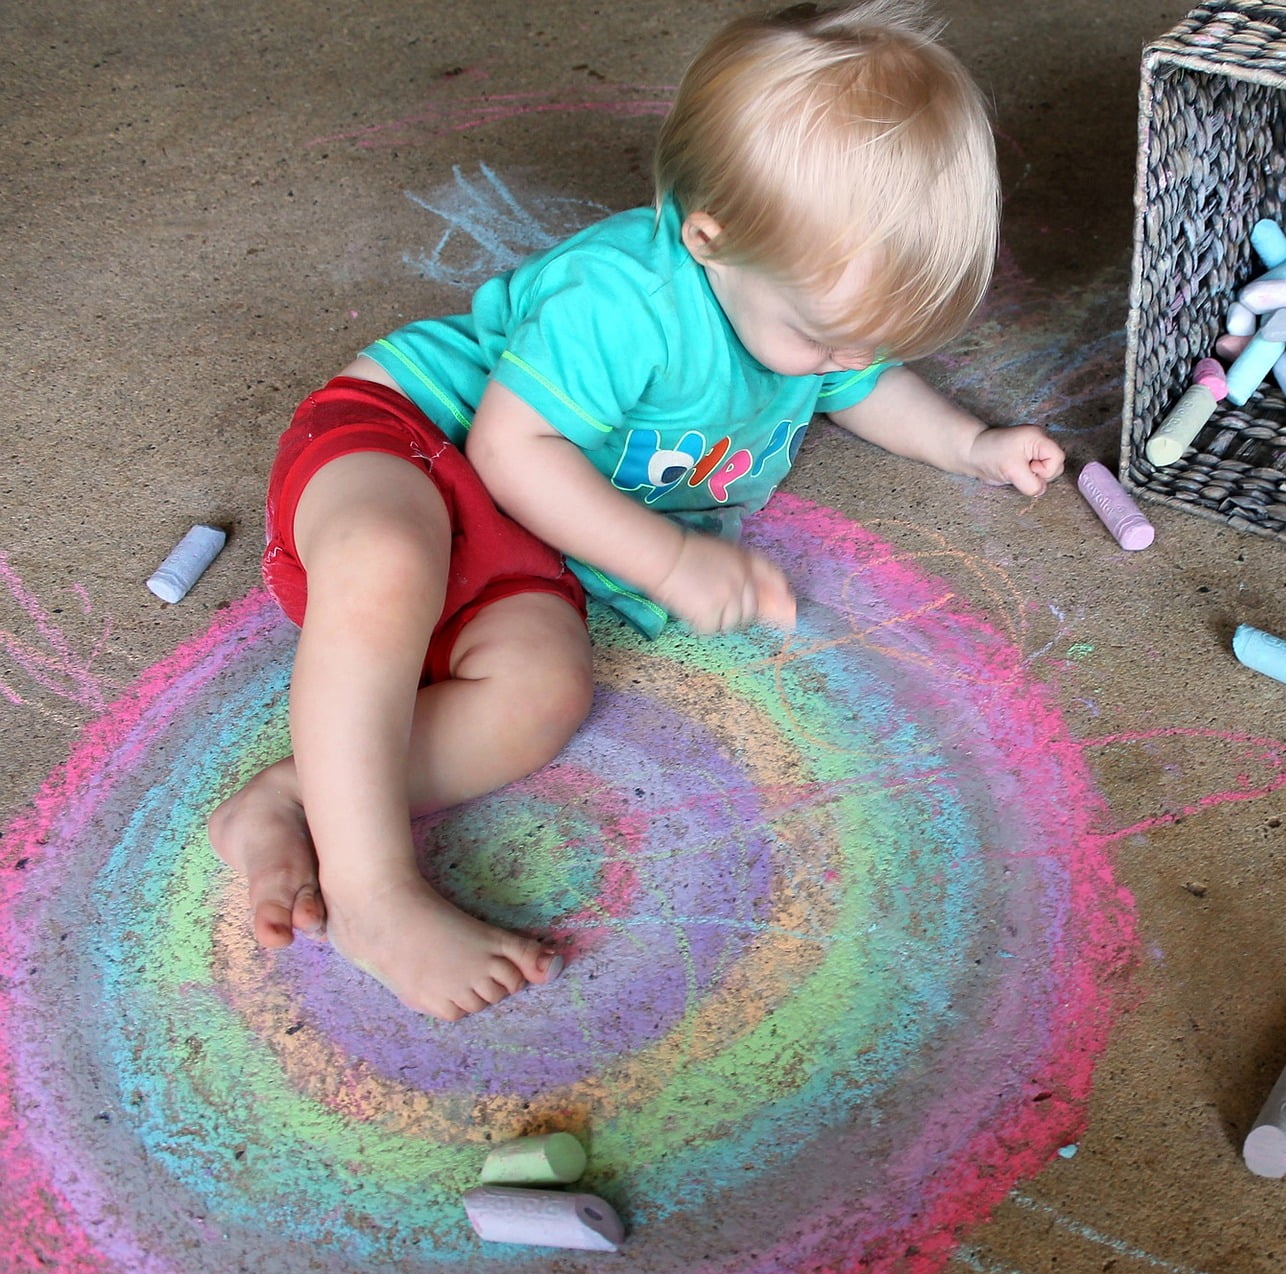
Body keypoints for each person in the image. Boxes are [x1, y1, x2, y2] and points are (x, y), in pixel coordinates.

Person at [209, 0, 1066, 1021]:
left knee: (541, 695)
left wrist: (969, 443)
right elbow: (509, 449)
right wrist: (665, 561)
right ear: (709, 236)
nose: (843, 361)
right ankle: (373, 895)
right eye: (822, 337)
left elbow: (863, 383)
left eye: (861, 340)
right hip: (411, 435)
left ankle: (298, 795)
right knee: (388, 561)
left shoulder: (804, 304)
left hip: (525, 537)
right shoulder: (623, 299)